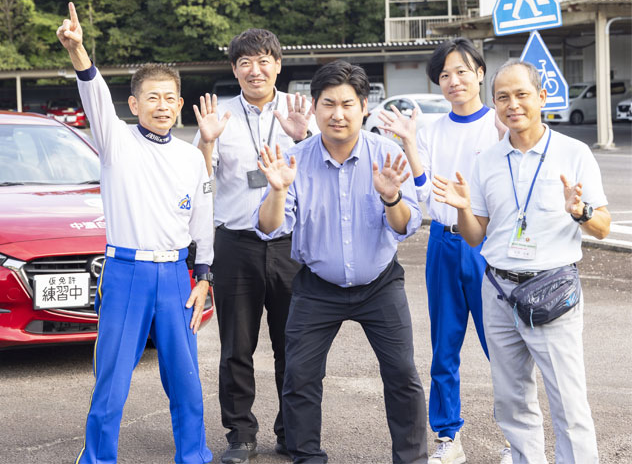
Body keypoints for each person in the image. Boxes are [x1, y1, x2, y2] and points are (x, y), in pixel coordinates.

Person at [56, 2, 214, 464]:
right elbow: (94, 96)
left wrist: (203, 276)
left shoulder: (190, 156)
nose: (162, 106)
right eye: (152, 98)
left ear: (179, 104)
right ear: (135, 104)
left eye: (170, 98)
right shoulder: (116, 142)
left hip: (175, 278)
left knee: (185, 379)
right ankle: (98, 458)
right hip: (126, 273)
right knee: (112, 380)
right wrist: (78, 50)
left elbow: (202, 219)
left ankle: (194, 455)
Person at [432, 60, 610, 464]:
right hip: (498, 291)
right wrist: (462, 209)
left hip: (553, 292)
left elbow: (602, 227)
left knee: (568, 401)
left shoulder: (574, 153)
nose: (512, 104)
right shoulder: (488, 161)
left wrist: (579, 210)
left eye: (521, 94)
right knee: (512, 400)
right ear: (494, 104)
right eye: (503, 97)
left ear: (541, 97)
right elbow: (477, 235)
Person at [254, 60, 427, 464]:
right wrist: (277, 190)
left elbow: (406, 228)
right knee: (300, 376)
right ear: (314, 107)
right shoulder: (295, 159)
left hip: (380, 283)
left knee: (402, 374)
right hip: (317, 286)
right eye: (328, 103)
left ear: (364, 106)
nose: (338, 113)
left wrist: (391, 198)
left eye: (348, 103)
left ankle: (412, 458)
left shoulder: (386, 154)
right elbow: (269, 228)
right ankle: (305, 454)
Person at [377, 38, 505, 464]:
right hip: (444, 242)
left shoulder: (498, 125)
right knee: (443, 346)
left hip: (488, 244)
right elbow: (425, 196)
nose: (454, 81)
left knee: (501, 346)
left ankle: (514, 437)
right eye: (445, 75)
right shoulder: (431, 131)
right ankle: (449, 437)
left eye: (462, 72)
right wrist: (411, 145)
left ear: (480, 73)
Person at [192, 28, 318, 464]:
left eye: (264, 60)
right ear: (234, 70)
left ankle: (292, 433)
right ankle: (240, 435)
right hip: (236, 244)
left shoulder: (301, 113)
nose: (255, 69)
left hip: (290, 245)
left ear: (278, 65)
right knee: (236, 347)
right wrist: (206, 141)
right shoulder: (220, 118)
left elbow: (323, 171)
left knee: (293, 346)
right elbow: (199, 179)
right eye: (245, 62)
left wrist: (302, 138)